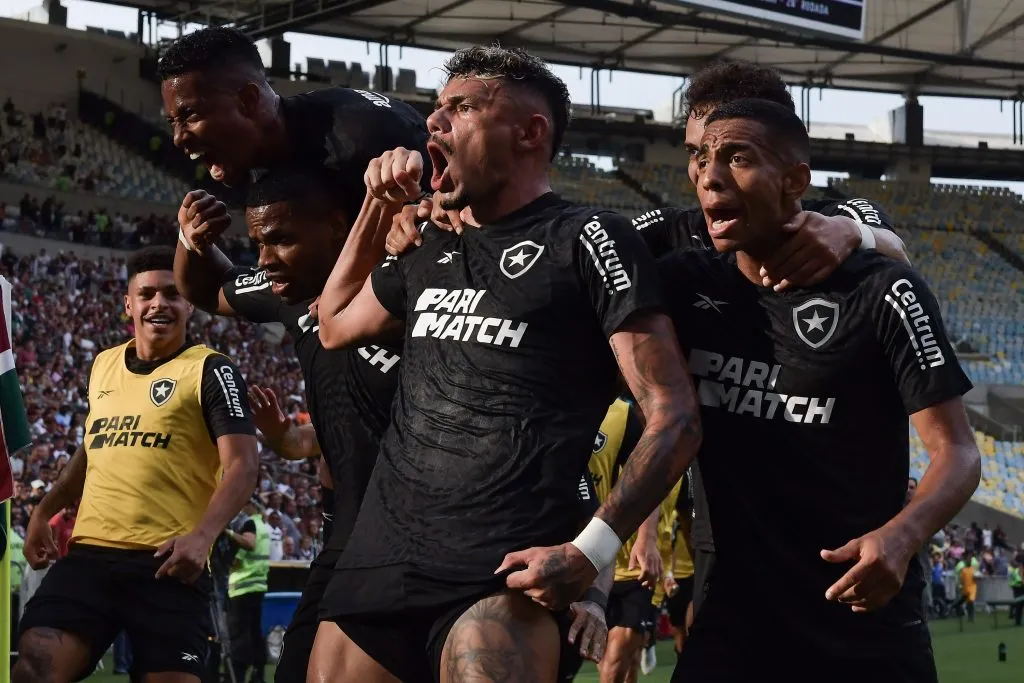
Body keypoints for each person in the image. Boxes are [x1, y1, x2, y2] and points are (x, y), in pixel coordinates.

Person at [312, 45, 702, 683]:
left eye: (461, 108)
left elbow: (675, 415)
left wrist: (590, 553)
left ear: (530, 132)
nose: (434, 124)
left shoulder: (587, 237)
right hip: (377, 567)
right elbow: (333, 325)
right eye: (435, 110)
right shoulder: (432, 248)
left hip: (500, 574)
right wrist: (375, 205)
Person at [656, 99, 981, 681]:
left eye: (737, 157)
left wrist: (901, 536)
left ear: (794, 181)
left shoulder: (884, 291)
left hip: (861, 615)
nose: (709, 176)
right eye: (702, 159)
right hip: (733, 623)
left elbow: (957, 451)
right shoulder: (683, 284)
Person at [13, 246, 259, 683]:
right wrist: (42, 509)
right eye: (146, 294)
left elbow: (242, 464)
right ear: (129, 303)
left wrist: (202, 537)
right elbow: (93, 448)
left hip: (167, 562)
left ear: (189, 303)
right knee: (34, 665)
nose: (158, 303)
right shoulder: (103, 365)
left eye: (171, 293)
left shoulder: (211, 369)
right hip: (90, 557)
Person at [158, 26, 429, 191]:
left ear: (248, 101)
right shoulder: (254, 154)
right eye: (172, 121)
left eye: (189, 115)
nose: (178, 137)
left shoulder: (362, 140)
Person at [587, 398, 666, 683]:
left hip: (628, 564)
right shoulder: (552, 400)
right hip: (577, 559)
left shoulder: (621, 415)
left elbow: (650, 478)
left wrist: (646, 539)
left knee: (615, 659)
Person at [226, 495, 271, 683]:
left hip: (242, 588)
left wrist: (226, 532)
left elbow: (249, 544)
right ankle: (258, 674)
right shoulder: (263, 526)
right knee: (254, 633)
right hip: (258, 585)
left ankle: (236, 675)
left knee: (239, 635)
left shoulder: (250, 524)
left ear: (250, 505)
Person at [1009, 559, 1023, 626]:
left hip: (1017, 588)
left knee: (1018, 606)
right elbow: (1019, 580)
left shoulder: (1014, 571)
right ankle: (1017, 621)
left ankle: (1017, 621)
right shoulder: (1016, 571)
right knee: (1019, 605)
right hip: (1018, 589)